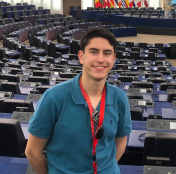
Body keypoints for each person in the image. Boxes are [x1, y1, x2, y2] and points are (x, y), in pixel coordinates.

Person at [25, 27, 132, 174]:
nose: (100, 59)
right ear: (81, 56)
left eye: (107, 53)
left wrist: (106, 168)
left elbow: (121, 141)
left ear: (113, 59)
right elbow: (32, 151)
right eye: (94, 52)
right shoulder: (54, 97)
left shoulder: (120, 98)